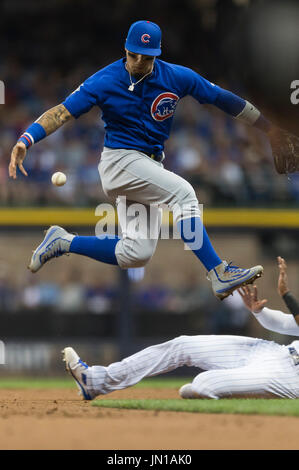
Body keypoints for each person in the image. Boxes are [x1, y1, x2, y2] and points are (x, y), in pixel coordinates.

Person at [9, 20, 274, 300]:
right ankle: (218, 271)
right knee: (184, 194)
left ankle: (63, 242)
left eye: (146, 57)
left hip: (148, 166)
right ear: (125, 48)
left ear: (157, 55)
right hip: (119, 162)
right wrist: (27, 139)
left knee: (136, 253)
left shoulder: (176, 77)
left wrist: (269, 128)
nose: (137, 61)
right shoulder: (105, 80)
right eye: (132, 54)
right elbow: (61, 112)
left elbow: (222, 98)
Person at [63, 257, 299, 400]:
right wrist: (259, 312)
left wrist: (286, 295)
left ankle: (222, 391)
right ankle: (96, 380)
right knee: (182, 344)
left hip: (288, 377)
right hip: (275, 352)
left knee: (204, 384)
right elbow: (285, 324)